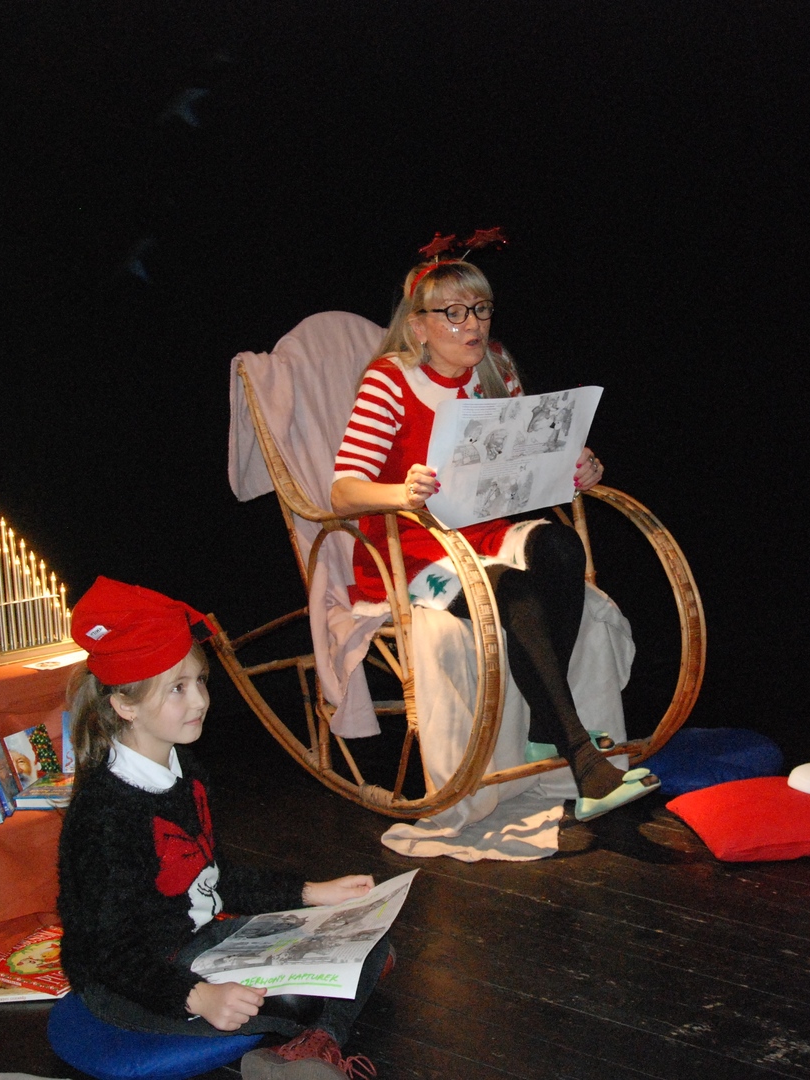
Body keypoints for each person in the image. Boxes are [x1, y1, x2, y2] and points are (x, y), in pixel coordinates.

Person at [329, 258, 658, 821]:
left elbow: (524, 460)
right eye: (454, 313)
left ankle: (542, 730)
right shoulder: (390, 382)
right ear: (418, 326)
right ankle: (580, 756)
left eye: (480, 309)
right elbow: (342, 492)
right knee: (510, 589)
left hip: (485, 531)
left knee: (560, 547)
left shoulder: (495, 370)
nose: (473, 325)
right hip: (414, 552)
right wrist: (400, 492)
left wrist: (577, 466)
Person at [56, 576, 389, 1080]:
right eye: (178, 689)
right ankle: (310, 1044)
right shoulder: (104, 814)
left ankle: (313, 1040)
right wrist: (199, 997)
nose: (200, 701)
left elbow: (212, 877)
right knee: (298, 997)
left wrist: (312, 893)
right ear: (125, 705)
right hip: (136, 983)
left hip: (204, 942)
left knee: (364, 937)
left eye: (200, 681)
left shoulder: (185, 771)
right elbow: (109, 955)